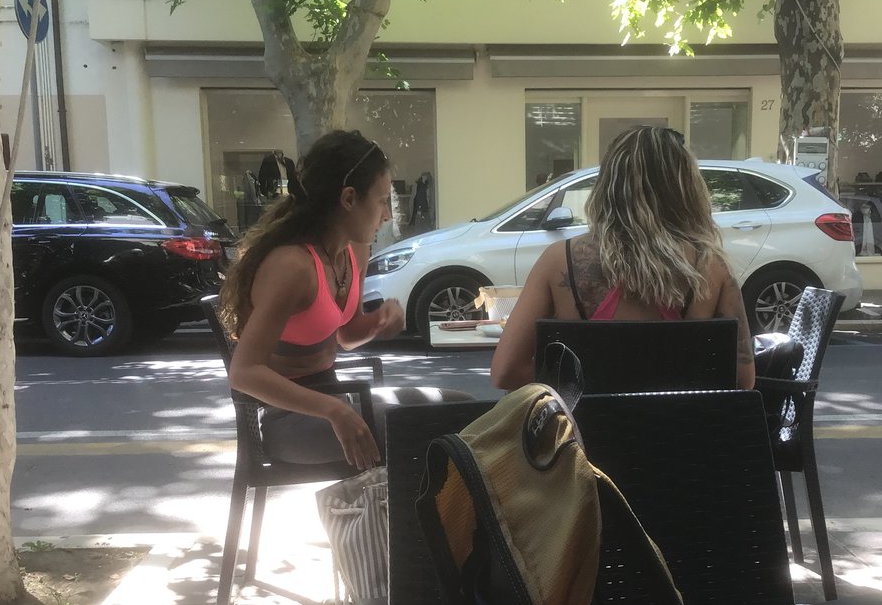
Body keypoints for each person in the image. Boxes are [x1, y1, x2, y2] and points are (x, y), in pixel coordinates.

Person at [220, 130, 471, 469]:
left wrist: (378, 321)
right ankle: (404, 505)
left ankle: (409, 504)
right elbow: (244, 373)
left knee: (463, 406)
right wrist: (335, 411)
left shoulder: (354, 250)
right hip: (287, 419)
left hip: (337, 398)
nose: (387, 215)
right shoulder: (293, 266)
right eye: (382, 201)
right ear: (349, 199)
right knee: (445, 425)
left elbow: (347, 335)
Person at [489, 125, 755, 391]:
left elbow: (506, 372)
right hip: (679, 418)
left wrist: (587, 382)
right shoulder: (711, 266)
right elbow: (742, 380)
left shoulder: (559, 260)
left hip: (587, 419)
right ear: (686, 189)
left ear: (607, 185)